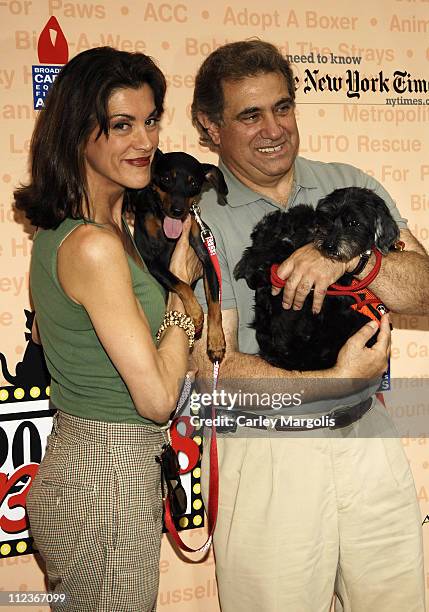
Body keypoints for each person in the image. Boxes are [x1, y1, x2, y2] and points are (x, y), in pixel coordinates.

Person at [190, 40, 428, 612]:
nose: (274, 128)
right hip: (268, 452)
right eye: (250, 114)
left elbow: (426, 291)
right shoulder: (195, 216)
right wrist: (329, 383)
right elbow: (203, 366)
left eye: (283, 107)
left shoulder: (347, 182)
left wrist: (352, 256)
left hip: (368, 435)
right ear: (210, 126)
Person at [15, 47, 200, 612]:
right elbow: (156, 397)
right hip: (106, 476)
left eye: (149, 121)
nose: (144, 141)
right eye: (121, 125)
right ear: (78, 135)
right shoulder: (94, 245)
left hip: (95, 465)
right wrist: (181, 301)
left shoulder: (87, 233)